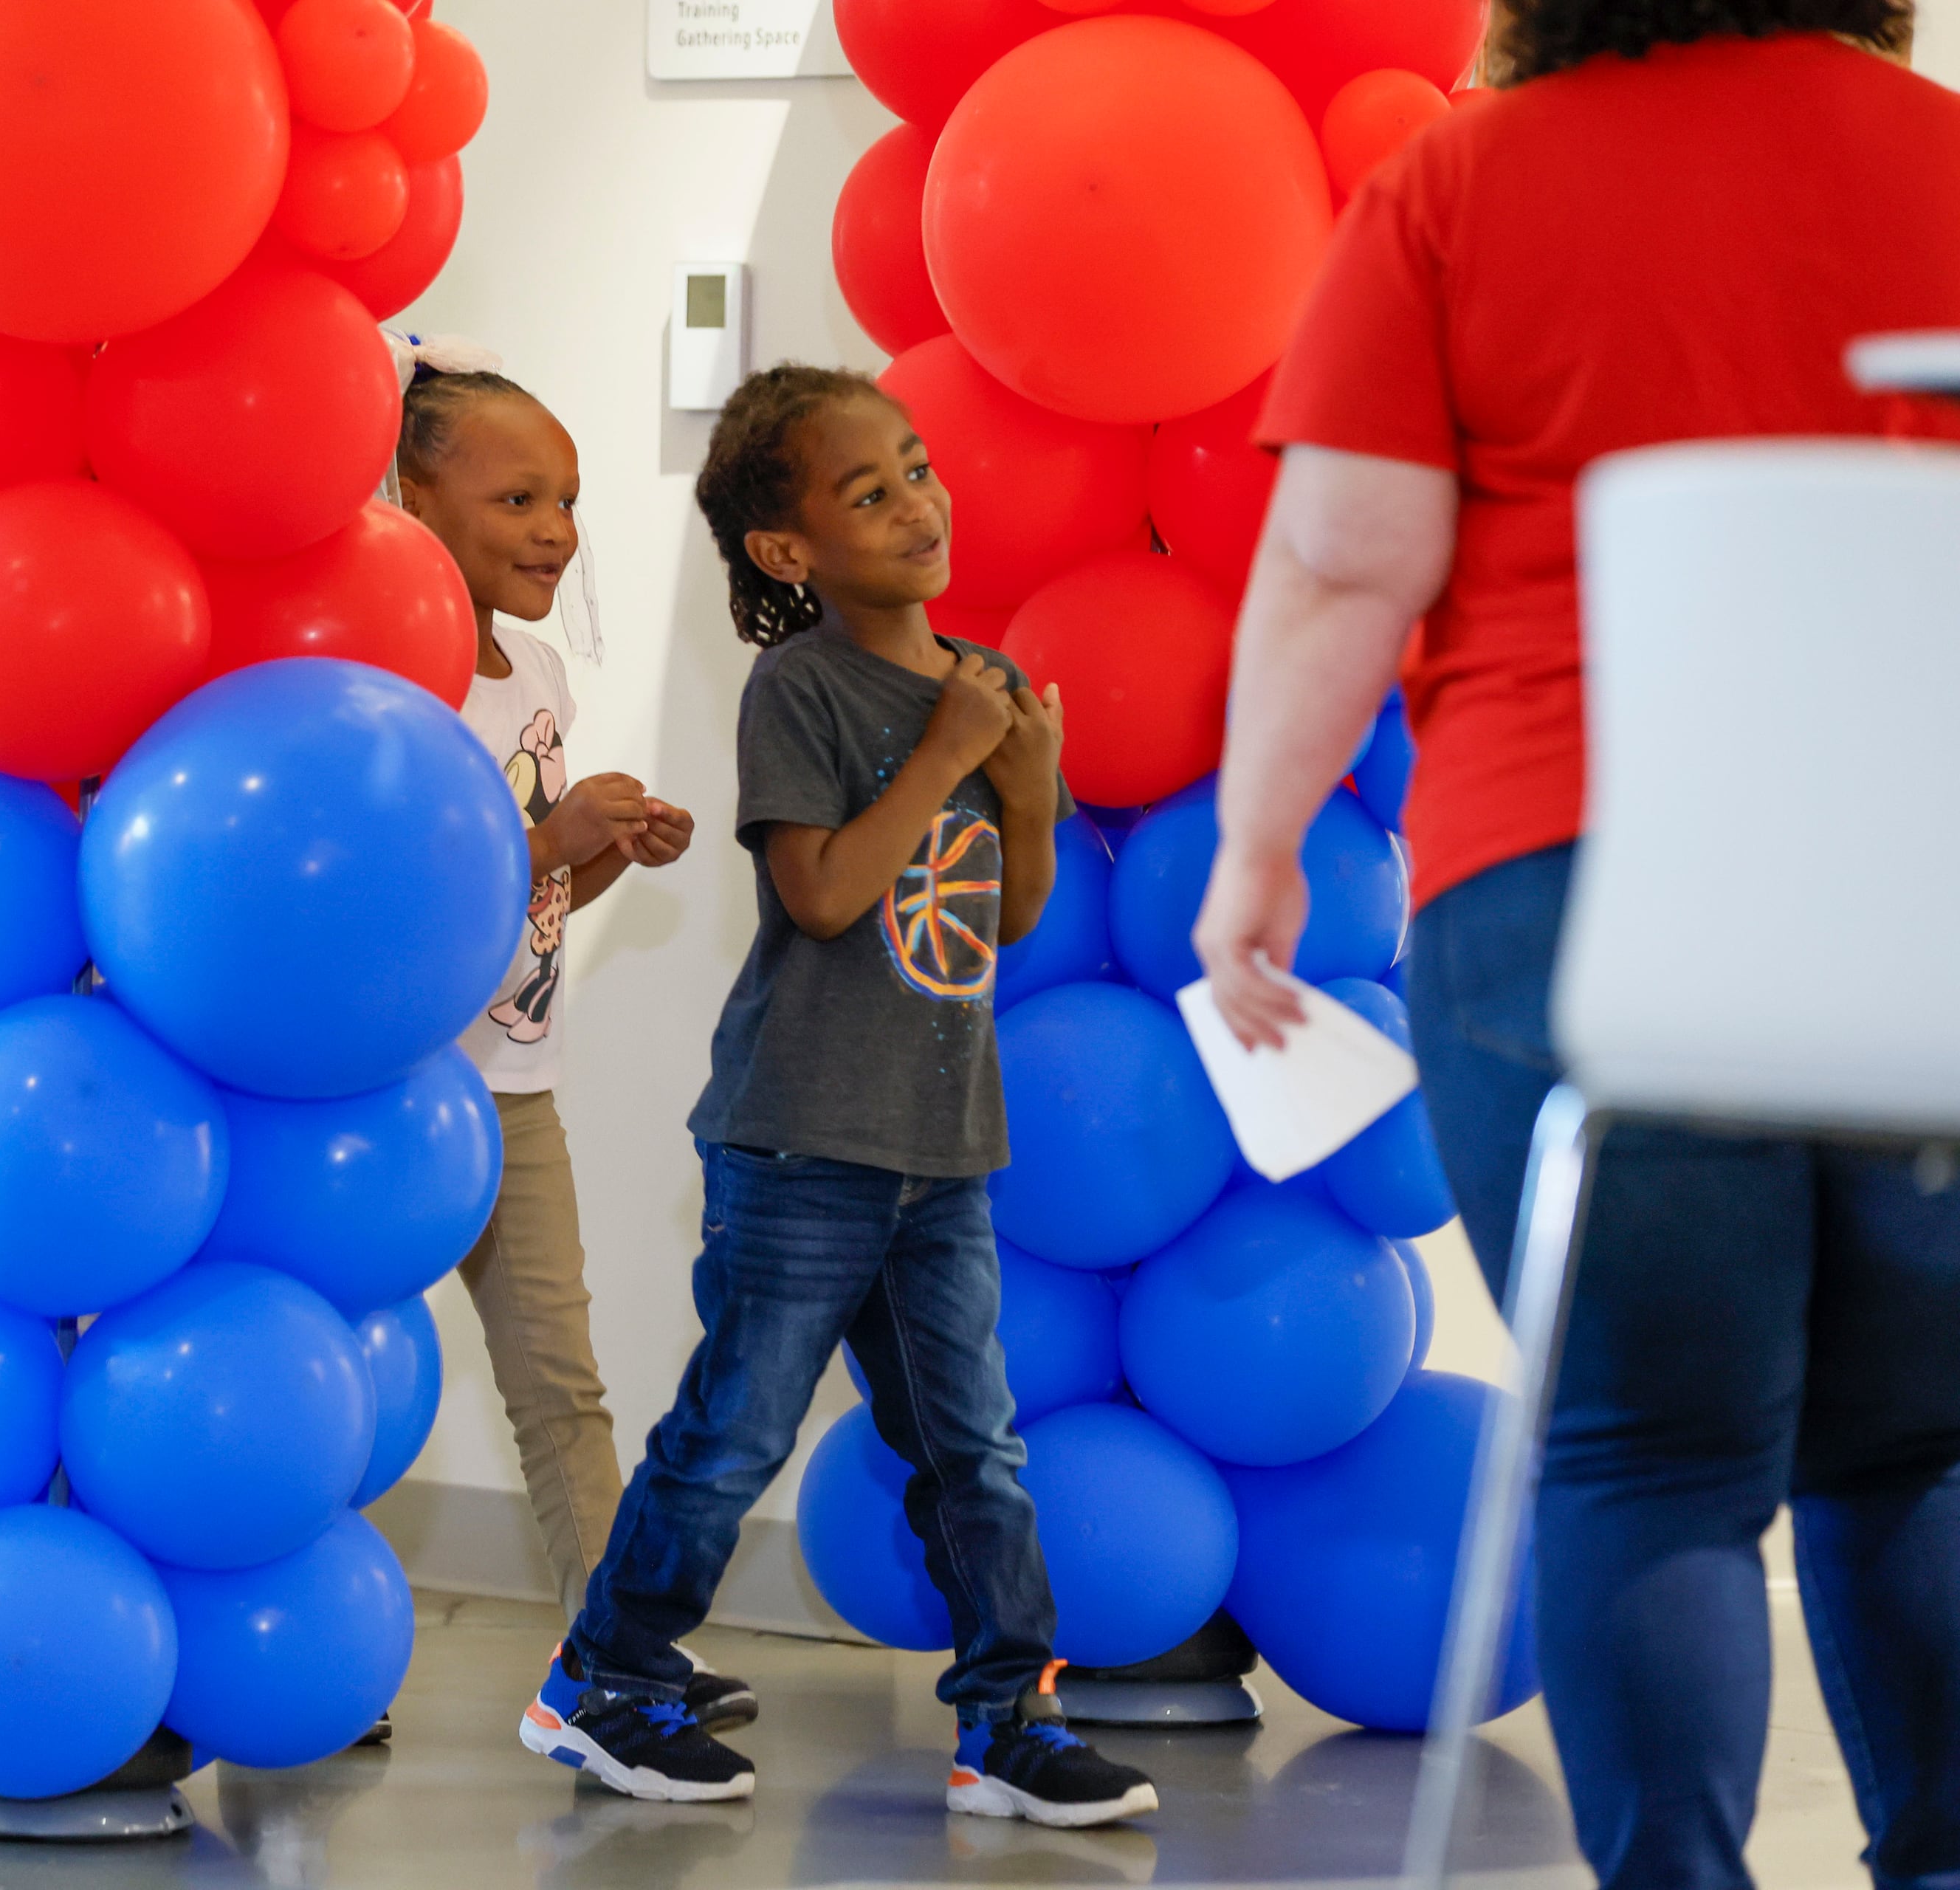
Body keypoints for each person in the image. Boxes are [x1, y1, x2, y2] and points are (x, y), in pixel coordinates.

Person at [1189, 7, 1960, 1886]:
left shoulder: (1462, 182)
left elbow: (1348, 555)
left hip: (1579, 884)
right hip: (1921, 883)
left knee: (1647, 1445)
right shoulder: (1946, 152)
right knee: (1920, 1439)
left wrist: (1257, 846)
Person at [520, 362, 1157, 1827]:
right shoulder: (800, 686)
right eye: (868, 492)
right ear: (788, 552)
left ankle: (1007, 1718)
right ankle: (606, 1678)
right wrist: (950, 756)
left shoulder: (982, 685)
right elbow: (816, 894)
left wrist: (1031, 785)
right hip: (805, 1134)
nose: (916, 502)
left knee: (974, 1443)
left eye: (919, 470)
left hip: (939, 1141)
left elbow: (1001, 918)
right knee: (738, 1426)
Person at [396, 365, 757, 1734]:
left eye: (568, 502)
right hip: (392, 1094)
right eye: (518, 498)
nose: (555, 529)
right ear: (411, 496)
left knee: (561, 1380)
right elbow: (407, 910)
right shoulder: (396, 678)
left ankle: (616, 1655)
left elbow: (521, 911)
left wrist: (590, 853)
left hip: (512, 1084)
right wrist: (549, 839)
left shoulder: (534, 668)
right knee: (333, 1379)